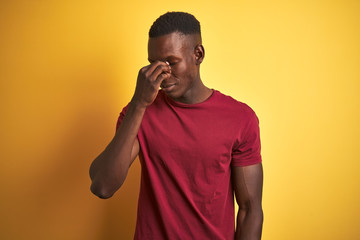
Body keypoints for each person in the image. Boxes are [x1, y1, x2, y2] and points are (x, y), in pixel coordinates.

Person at [89, 11, 263, 240]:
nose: (162, 75)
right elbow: (103, 186)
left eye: (171, 62)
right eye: (154, 64)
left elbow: (250, 210)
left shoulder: (240, 118)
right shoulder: (138, 113)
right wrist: (139, 103)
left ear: (198, 54)